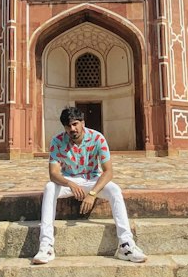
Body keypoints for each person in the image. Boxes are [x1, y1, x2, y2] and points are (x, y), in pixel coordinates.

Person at [32, 106, 146, 265]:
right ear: (64, 127)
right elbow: (54, 173)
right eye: (68, 126)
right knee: (50, 187)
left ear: (83, 123)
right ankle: (46, 245)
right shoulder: (58, 141)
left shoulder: (97, 138)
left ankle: (126, 245)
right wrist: (70, 183)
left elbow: (108, 172)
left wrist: (92, 194)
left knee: (114, 190)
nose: (72, 129)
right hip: (69, 180)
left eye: (75, 124)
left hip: (92, 179)